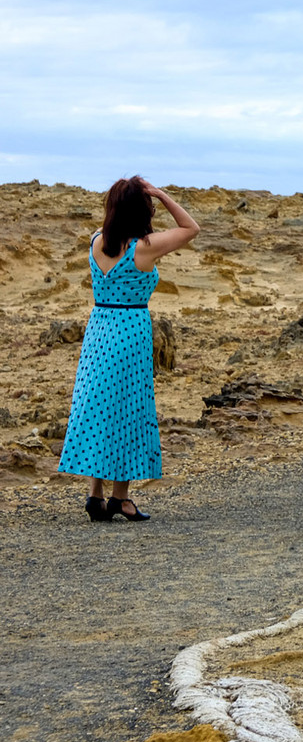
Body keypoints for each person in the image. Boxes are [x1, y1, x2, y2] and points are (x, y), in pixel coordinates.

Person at [59, 177, 199, 521]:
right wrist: (162, 195)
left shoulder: (96, 241)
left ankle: (96, 494)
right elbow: (191, 228)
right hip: (130, 332)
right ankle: (121, 498)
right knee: (128, 410)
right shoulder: (142, 248)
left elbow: (113, 225)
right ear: (142, 210)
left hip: (99, 330)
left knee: (100, 408)